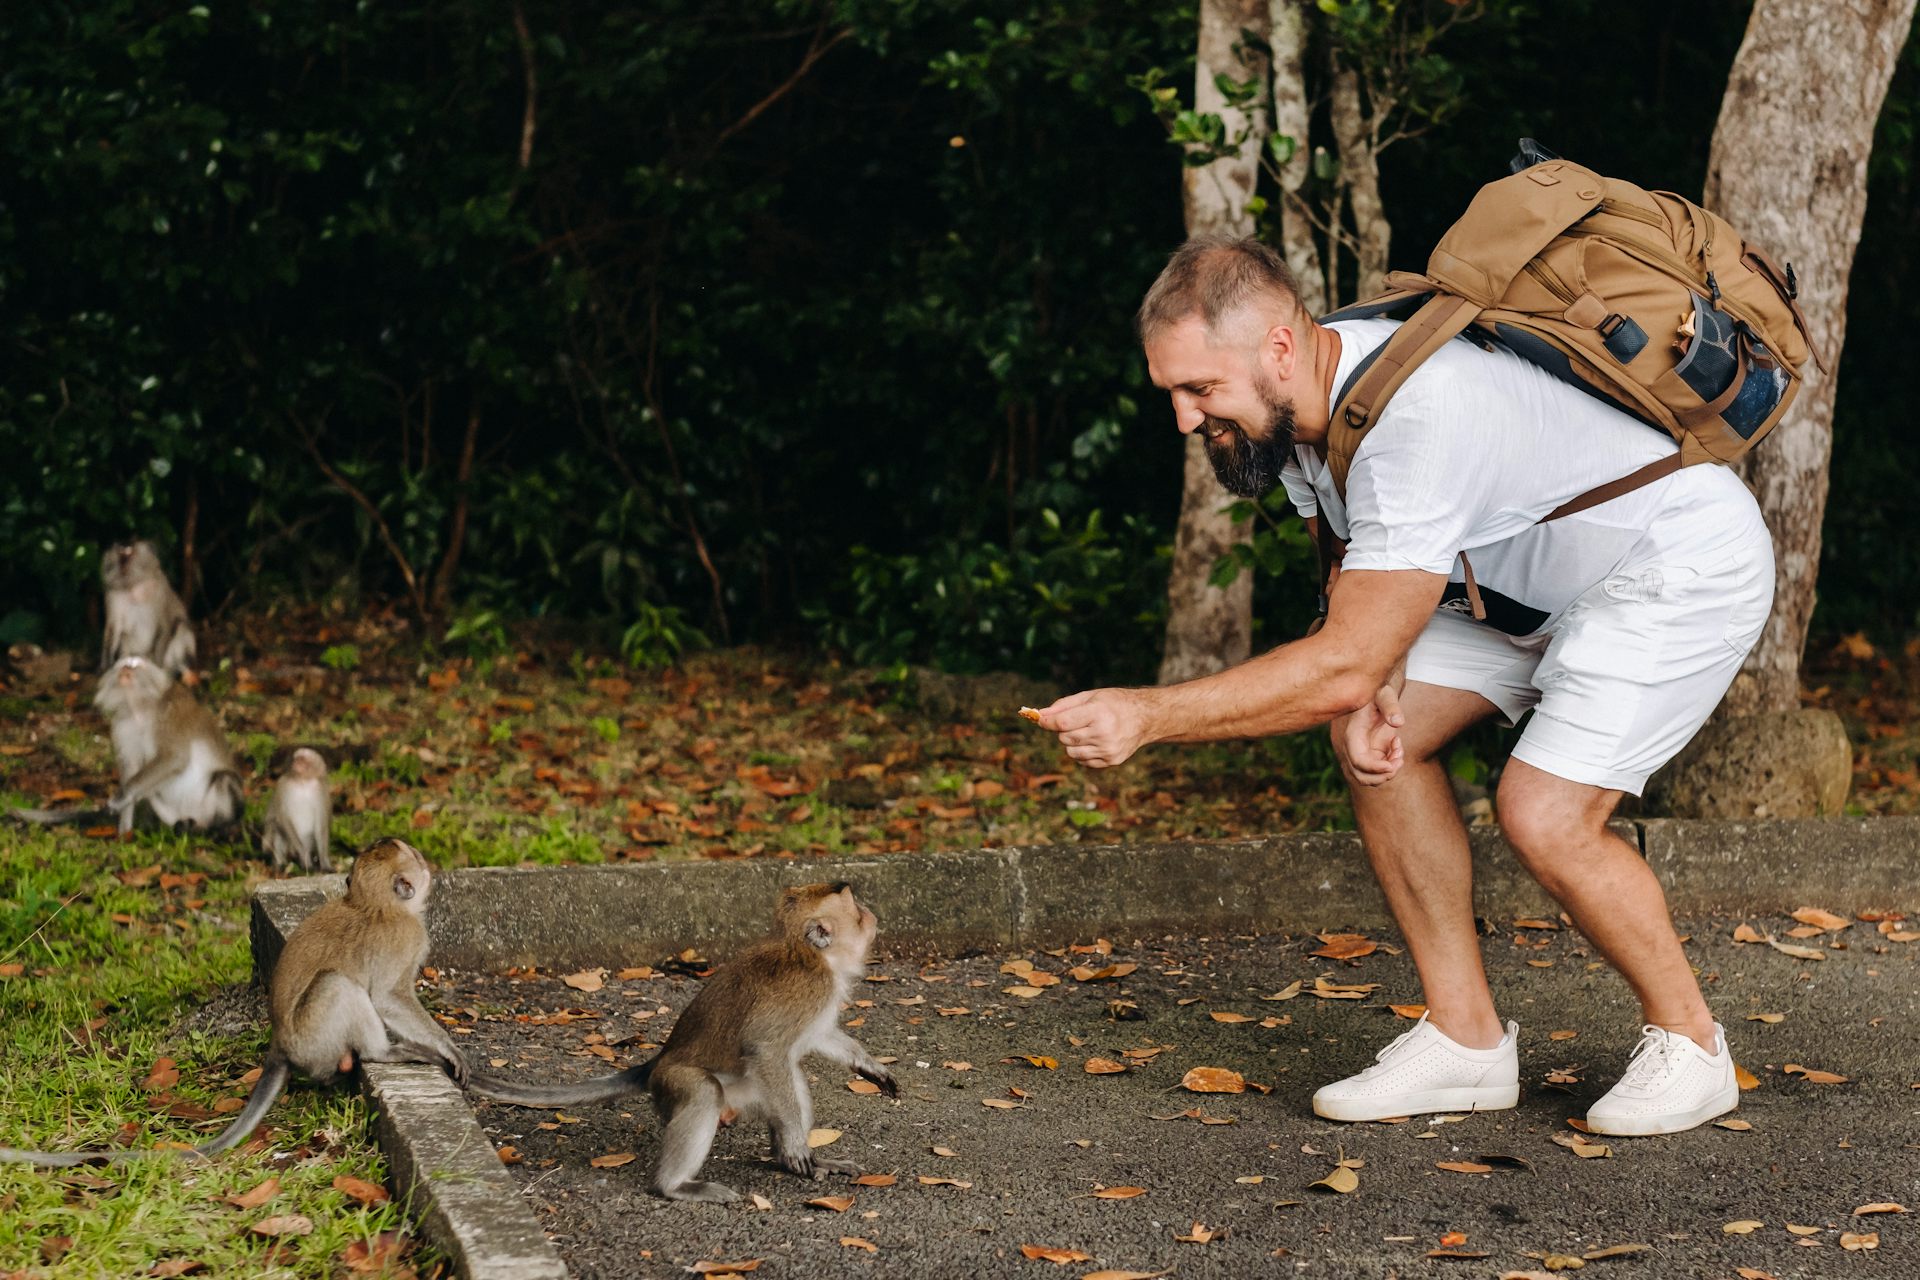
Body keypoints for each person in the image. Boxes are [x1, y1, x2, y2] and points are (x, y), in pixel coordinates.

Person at [1032, 234, 1773, 1136]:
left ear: (1276, 347)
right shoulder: (1301, 407)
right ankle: (1466, 1042)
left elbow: (1339, 662)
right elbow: (1352, 568)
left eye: (1200, 390)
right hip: (1514, 584)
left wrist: (1148, 714)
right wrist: (1373, 672)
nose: (1186, 421)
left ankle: (1692, 1048)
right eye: (1174, 395)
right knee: (1374, 745)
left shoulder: (1417, 416)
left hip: (1670, 562)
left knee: (1541, 812)